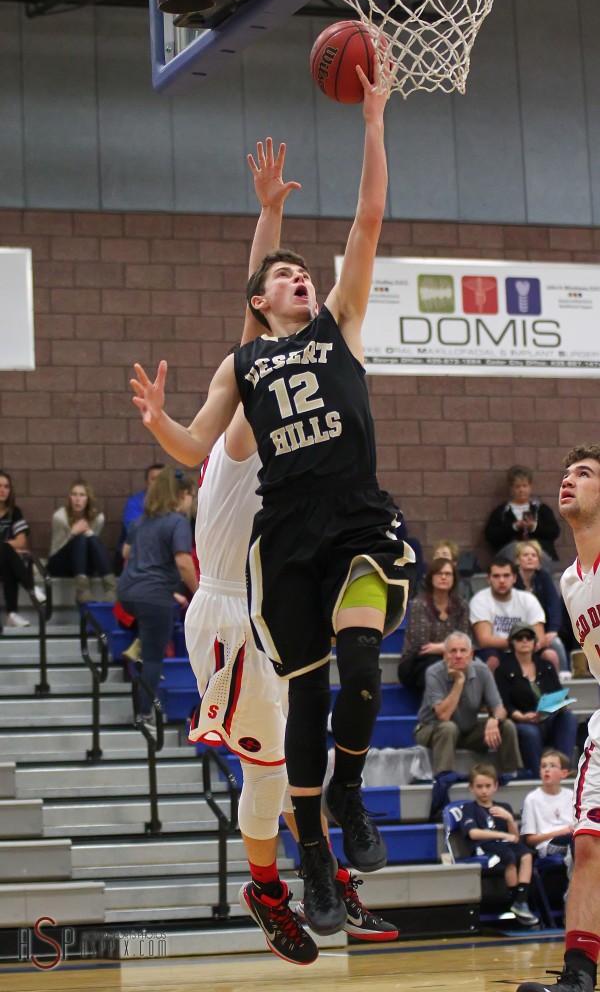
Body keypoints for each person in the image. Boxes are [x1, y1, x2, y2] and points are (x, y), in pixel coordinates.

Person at [130, 63, 417, 937]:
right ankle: (285, 883)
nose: (296, 279)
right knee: (269, 764)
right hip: (244, 590)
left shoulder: (330, 330)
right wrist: (160, 420)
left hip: (336, 532)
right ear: (258, 306)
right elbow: (211, 403)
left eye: (302, 274)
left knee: (350, 687)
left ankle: (328, 841)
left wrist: (368, 124)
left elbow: (358, 230)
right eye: (279, 277)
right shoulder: (246, 382)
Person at [185, 138, 396, 963]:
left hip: (278, 590)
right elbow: (254, 318)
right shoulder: (245, 406)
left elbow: (265, 311)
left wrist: (272, 214)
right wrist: (269, 220)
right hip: (233, 610)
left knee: (300, 740)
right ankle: (273, 888)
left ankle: (321, 862)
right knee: (269, 770)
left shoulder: (281, 378)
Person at [518, 446, 600, 992]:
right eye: (567, 473)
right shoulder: (569, 581)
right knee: (588, 843)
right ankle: (577, 976)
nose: (568, 480)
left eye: (585, 474)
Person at [118, 467, 198, 728]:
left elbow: (127, 550)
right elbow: (184, 562)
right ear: (182, 495)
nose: (192, 503)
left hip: (128, 591)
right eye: (191, 496)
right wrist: (197, 593)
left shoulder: (142, 520)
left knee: (148, 640)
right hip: (153, 596)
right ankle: (143, 714)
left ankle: (135, 651)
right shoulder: (177, 522)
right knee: (155, 657)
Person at [414, 631, 522, 778]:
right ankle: (443, 777)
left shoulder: (482, 671)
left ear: (471, 654)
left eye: (463, 651)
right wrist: (459, 682)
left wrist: (494, 719)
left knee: (507, 725)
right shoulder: (434, 672)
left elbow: (499, 708)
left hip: (468, 732)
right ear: (445, 655)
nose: (458, 655)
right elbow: (444, 715)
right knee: (449, 727)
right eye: (453, 651)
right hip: (432, 729)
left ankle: (511, 774)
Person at [494, 621, 578, 777]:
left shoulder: (546, 665)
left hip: (548, 717)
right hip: (522, 720)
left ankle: (562, 768)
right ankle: (537, 773)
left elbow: (560, 694)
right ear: (512, 642)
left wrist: (562, 705)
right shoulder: (503, 670)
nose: (525, 640)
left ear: (534, 642)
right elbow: (504, 702)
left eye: (529, 637)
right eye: (519, 637)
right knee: (530, 732)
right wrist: (521, 716)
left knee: (569, 717)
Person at [460, 762, 539, 926]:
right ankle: (515, 900)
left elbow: (515, 838)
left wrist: (509, 819)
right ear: (471, 788)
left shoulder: (504, 807)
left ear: (495, 786)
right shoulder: (469, 808)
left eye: (488, 786)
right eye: (479, 786)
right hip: (484, 846)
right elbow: (473, 833)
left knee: (526, 854)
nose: (484, 790)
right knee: (508, 856)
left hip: (505, 844)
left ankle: (521, 902)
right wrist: (501, 834)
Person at [397, 557, 471, 693]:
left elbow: (464, 640)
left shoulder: (461, 605)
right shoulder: (419, 604)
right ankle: (437, 710)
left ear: (454, 578)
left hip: (453, 657)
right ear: (431, 577)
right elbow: (421, 645)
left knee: (475, 665)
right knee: (436, 668)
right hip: (416, 662)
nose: (443, 577)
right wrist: (451, 648)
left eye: (448, 574)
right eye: (439, 573)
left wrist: (443, 647)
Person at [469, 556, 548, 671]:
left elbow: (540, 637)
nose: (501, 580)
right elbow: (484, 640)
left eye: (506, 576)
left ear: (514, 578)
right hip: (494, 650)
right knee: (492, 660)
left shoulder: (528, 599)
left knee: (550, 655)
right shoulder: (480, 600)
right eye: (496, 576)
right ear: (488, 579)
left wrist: (525, 645)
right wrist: (519, 642)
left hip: (526, 648)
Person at [48, 479, 118, 604]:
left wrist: (89, 534)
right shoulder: (60, 517)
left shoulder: (98, 518)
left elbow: (91, 547)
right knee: (80, 538)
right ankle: (82, 590)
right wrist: (72, 534)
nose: (77, 499)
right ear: (69, 497)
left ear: (88, 498)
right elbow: (57, 547)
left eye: (82, 495)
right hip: (59, 563)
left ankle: (111, 589)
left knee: (91, 538)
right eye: (74, 494)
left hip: (84, 564)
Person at [485, 464, 561, 565]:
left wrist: (534, 526)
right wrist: (514, 527)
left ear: (530, 487)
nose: (521, 490)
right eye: (517, 486)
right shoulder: (501, 512)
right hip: (511, 558)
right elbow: (491, 534)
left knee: (535, 553)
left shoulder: (541, 509)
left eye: (524, 486)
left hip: (541, 557)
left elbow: (554, 532)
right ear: (511, 488)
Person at [514, 539, 569, 672]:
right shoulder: (513, 580)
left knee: (556, 643)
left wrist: (553, 630)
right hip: (520, 633)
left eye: (534, 555)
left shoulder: (543, 577)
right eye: (525, 555)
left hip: (543, 632)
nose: (530, 558)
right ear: (518, 560)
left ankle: (564, 675)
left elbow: (554, 604)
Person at [520, 748, 574, 871]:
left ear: (564, 773)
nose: (547, 769)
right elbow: (530, 839)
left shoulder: (571, 795)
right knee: (576, 843)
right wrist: (558, 832)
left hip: (571, 839)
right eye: (543, 766)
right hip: (548, 845)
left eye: (552, 766)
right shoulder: (532, 799)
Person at [0, 470, 40, 629]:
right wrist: (8, 546)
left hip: (4, 562)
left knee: (6, 557)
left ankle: (12, 615)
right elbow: (15, 542)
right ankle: (32, 587)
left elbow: (22, 541)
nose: (2, 490)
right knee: (6, 550)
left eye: (6, 486)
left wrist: (6, 549)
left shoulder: (14, 512)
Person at [118, 463, 164, 554]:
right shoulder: (135, 502)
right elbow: (133, 531)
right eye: (154, 479)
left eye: (162, 479)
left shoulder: (174, 501)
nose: (158, 483)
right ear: (147, 482)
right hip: (137, 552)